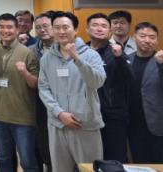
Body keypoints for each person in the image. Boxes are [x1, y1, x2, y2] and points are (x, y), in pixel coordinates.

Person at [38, 11, 106, 172]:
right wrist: (59, 113)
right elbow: (43, 88)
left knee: (89, 168)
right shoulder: (47, 58)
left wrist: (77, 59)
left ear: (75, 30)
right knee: (60, 169)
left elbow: (97, 82)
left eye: (65, 27)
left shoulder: (91, 55)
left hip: (84, 123)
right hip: (57, 124)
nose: (61, 31)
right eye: (57, 28)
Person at [0, 13, 39, 172]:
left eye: (9, 27)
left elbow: (36, 84)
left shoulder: (27, 52)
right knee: (3, 158)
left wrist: (25, 73)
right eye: (1, 27)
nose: (5, 30)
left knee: (27, 161)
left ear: (17, 30)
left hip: (23, 118)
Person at [85, 12, 132, 162]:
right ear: (87, 29)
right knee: (90, 159)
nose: (100, 29)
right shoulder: (81, 51)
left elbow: (129, 78)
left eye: (104, 26)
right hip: (86, 114)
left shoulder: (115, 51)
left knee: (114, 159)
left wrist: (119, 57)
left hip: (112, 115)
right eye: (95, 25)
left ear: (110, 31)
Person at [127, 22, 163, 163]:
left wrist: (161, 65)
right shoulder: (126, 59)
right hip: (133, 122)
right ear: (134, 37)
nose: (147, 40)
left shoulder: (161, 60)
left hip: (157, 123)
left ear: (157, 40)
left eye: (152, 37)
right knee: (139, 162)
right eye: (142, 36)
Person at [29, 12, 55, 172]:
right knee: (44, 145)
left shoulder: (66, 48)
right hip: (40, 105)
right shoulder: (31, 50)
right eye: (38, 27)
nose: (42, 30)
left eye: (45, 26)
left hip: (64, 105)